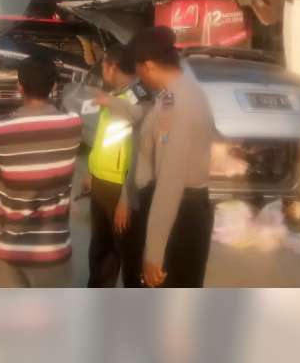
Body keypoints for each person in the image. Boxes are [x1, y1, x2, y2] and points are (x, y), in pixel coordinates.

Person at [0, 55, 82, 288]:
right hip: (53, 250)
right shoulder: (73, 125)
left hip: (8, 250)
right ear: (53, 86)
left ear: (19, 87)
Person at [127, 26, 215, 288]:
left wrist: (153, 253)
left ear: (150, 66)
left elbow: (170, 182)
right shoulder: (179, 91)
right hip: (182, 210)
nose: (139, 78)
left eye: (139, 70)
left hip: (178, 216)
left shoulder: (178, 103)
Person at [86, 44, 149, 288]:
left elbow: (140, 152)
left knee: (129, 256)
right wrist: (91, 171)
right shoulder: (113, 96)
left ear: (112, 67)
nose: (102, 70)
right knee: (101, 253)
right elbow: (106, 139)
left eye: (103, 65)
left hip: (121, 189)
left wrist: (126, 197)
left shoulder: (137, 100)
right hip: (102, 183)